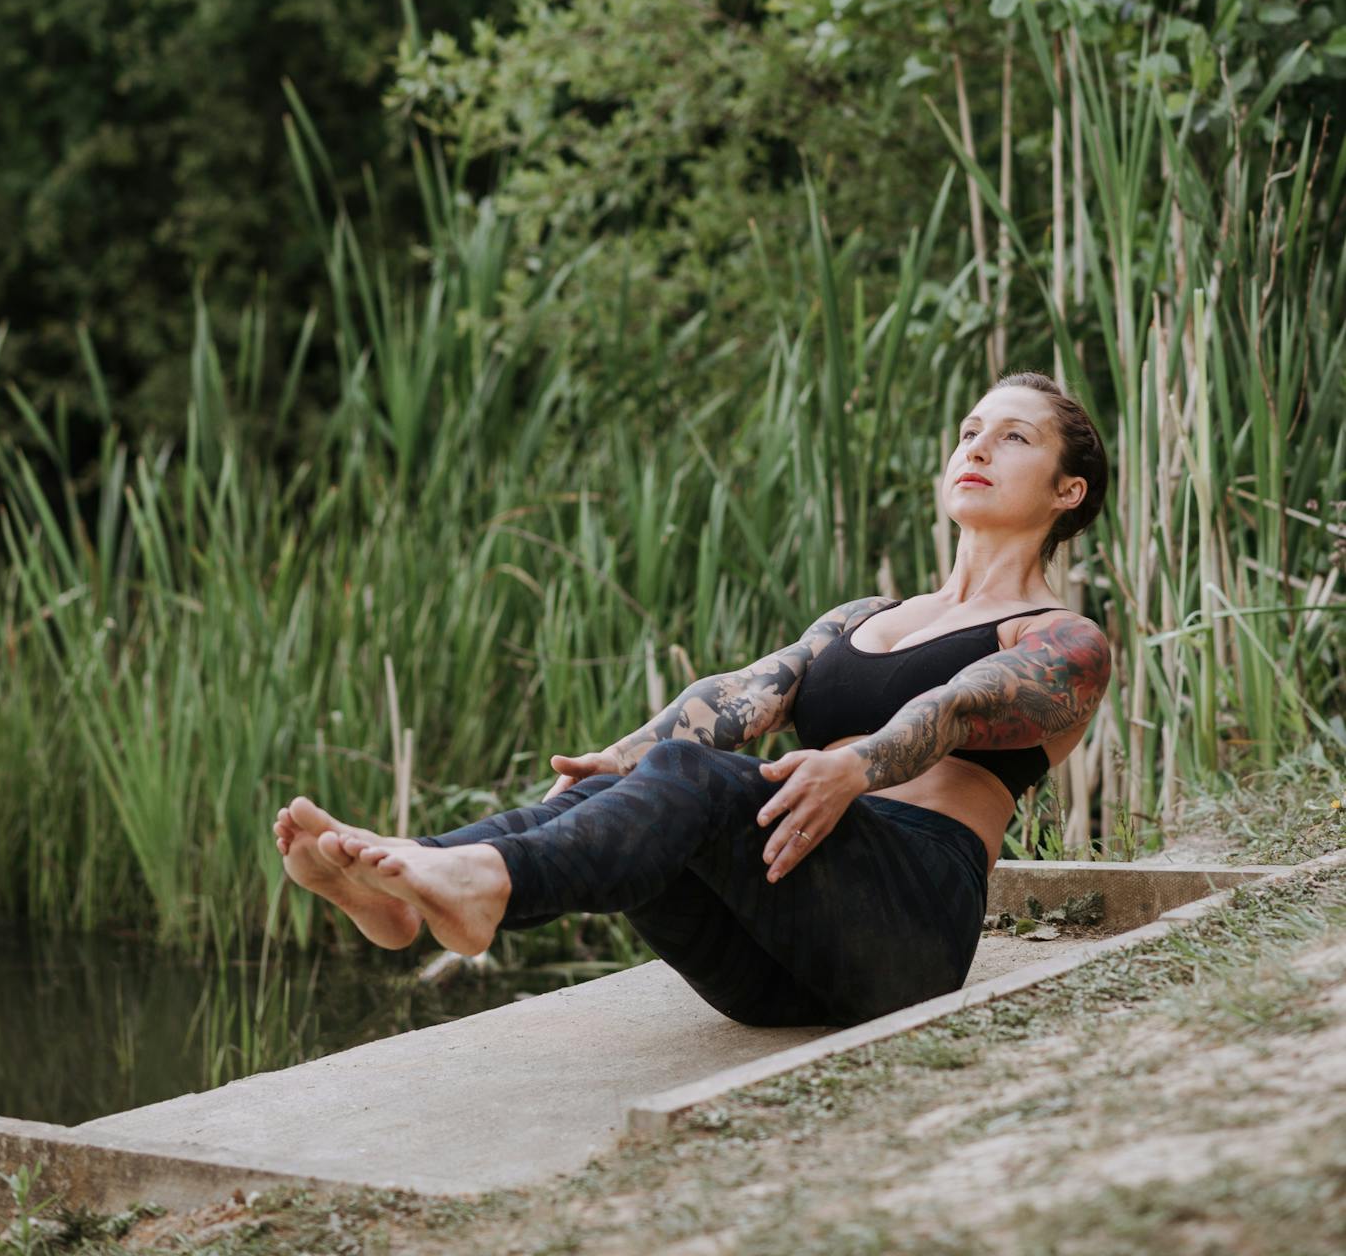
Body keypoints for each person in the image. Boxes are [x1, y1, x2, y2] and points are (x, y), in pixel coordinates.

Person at [274, 369, 1112, 1029]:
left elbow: (957, 709)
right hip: (767, 970)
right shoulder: (865, 617)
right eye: (969, 431)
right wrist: (620, 757)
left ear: (1066, 491)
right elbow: (743, 692)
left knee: (693, 773)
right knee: (629, 779)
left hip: (906, 936)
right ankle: (401, 888)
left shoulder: (1060, 639)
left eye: (1012, 438)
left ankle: (486, 885)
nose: (976, 448)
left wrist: (851, 768)